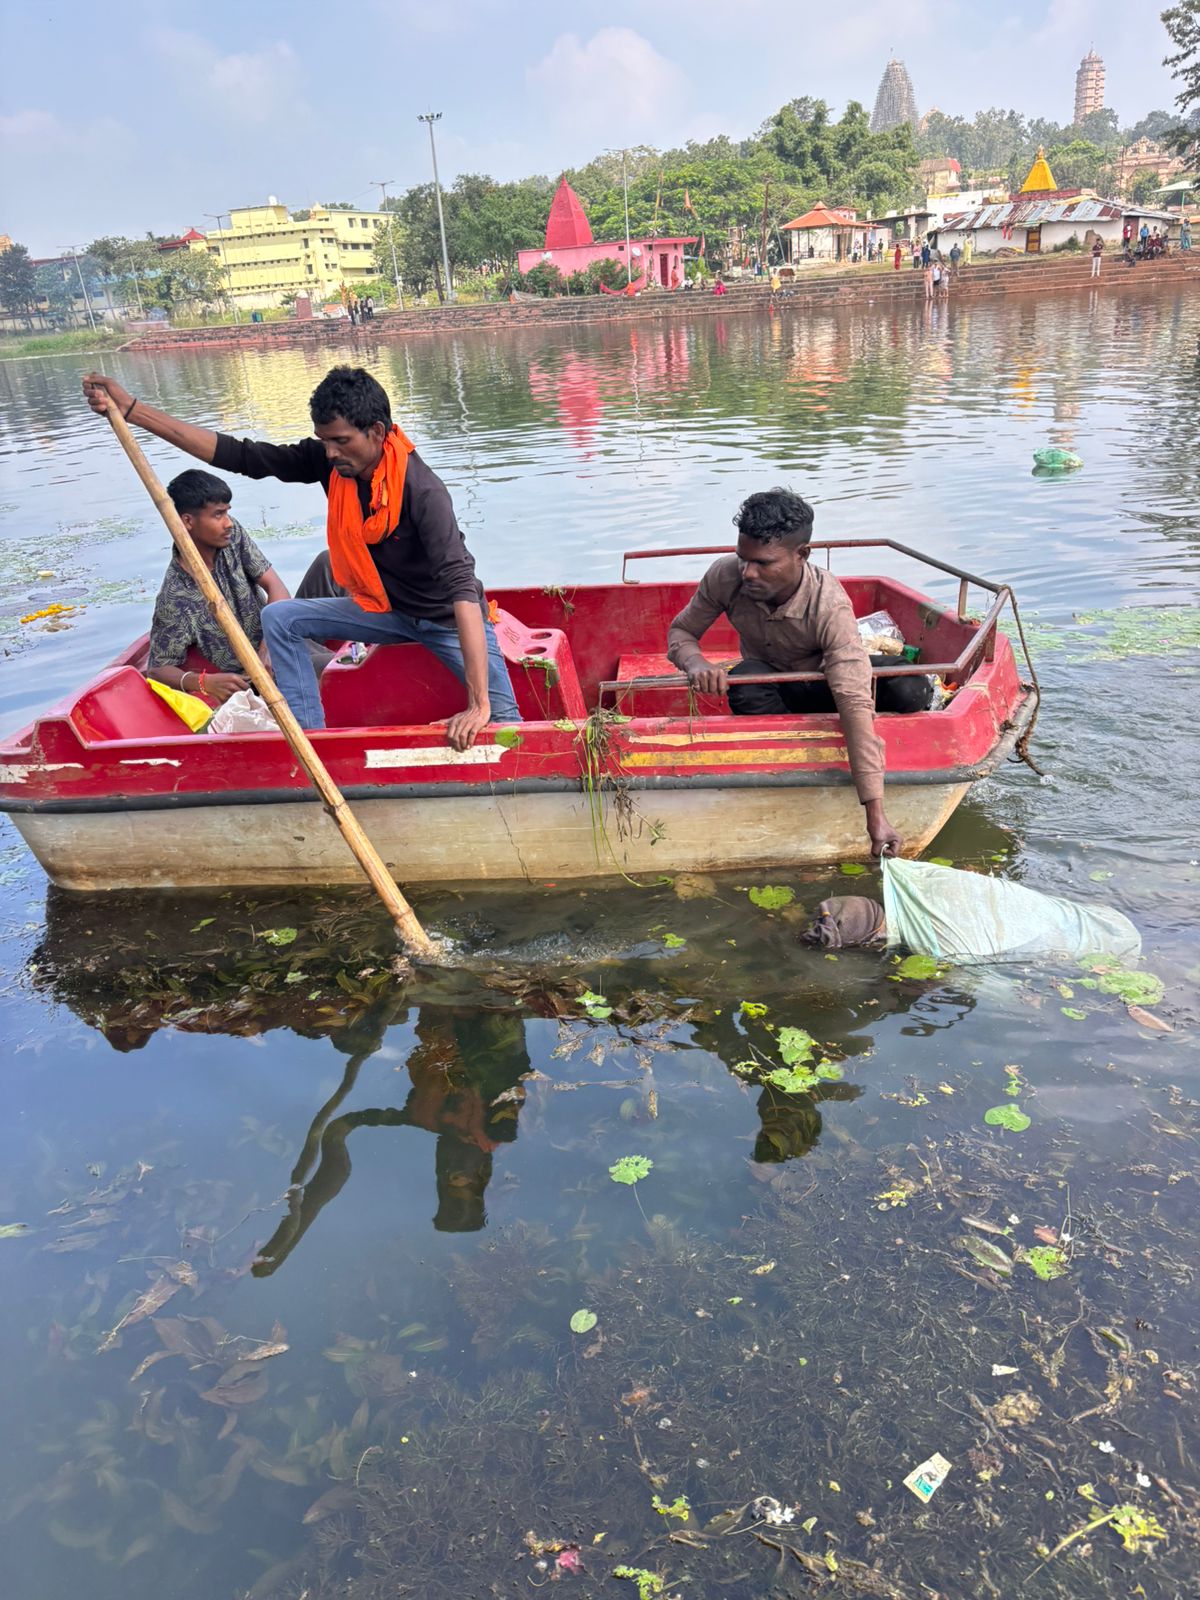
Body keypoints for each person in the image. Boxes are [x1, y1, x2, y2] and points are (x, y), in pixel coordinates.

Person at [83, 366, 521, 748]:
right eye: (324, 442)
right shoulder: (333, 464)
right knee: (281, 619)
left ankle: (490, 707)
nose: (331, 453)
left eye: (341, 441)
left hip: (445, 621)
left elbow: (463, 591)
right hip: (387, 611)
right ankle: (316, 742)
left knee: (508, 724)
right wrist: (133, 409)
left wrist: (477, 704)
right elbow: (240, 456)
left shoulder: (422, 492)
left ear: (377, 432)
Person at [665, 489, 928, 858]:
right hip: (775, 684)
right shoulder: (727, 576)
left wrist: (875, 814)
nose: (748, 572)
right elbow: (681, 632)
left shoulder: (829, 605)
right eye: (743, 559)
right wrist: (696, 664)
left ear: (801, 555)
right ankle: (790, 751)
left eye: (763, 563)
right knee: (745, 687)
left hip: (827, 685)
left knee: (909, 689)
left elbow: (852, 699)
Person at [145, 468, 290, 704]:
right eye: (218, 515)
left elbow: (277, 588)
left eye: (227, 513)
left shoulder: (232, 538)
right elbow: (158, 669)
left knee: (325, 563)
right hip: (255, 682)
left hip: (277, 643)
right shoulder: (175, 594)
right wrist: (204, 682)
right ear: (187, 521)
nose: (228, 523)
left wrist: (268, 647)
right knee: (331, 670)